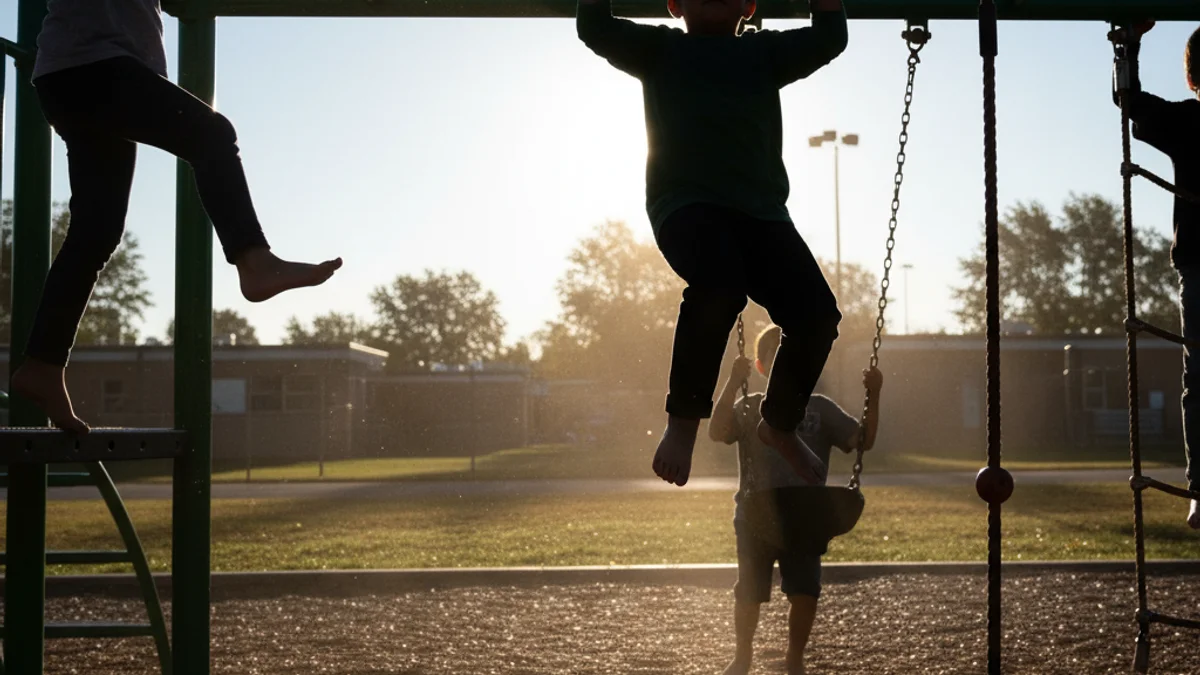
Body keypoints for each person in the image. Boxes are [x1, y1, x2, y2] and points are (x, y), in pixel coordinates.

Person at [12, 0, 343, 433]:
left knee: (97, 231)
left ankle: (42, 365)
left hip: (78, 71)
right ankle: (254, 261)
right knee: (212, 135)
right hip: (95, 65)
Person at [577, 0, 849, 488]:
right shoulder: (659, 50)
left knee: (817, 317)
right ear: (674, 3)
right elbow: (594, 27)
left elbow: (830, 38)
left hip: (762, 216)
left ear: (749, 4)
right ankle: (682, 424)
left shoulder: (764, 55)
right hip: (688, 207)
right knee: (720, 286)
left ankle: (779, 424)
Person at [709, 325, 881, 675]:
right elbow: (716, 431)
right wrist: (732, 381)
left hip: (806, 516)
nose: (786, 366)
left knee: (805, 591)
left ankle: (794, 658)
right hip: (756, 512)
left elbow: (863, 441)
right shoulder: (750, 405)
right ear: (761, 366)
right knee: (749, 590)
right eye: (776, 359)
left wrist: (873, 394)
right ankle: (742, 656)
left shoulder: (821, 408)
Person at [1111, 21, 1200, 528]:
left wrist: (1129, 44)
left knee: (1199, 376)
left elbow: (1129, 101)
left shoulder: (1187, 121)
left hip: (1199, 263)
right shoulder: (1187, 122)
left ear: (1190, 78)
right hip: (1198, 264)